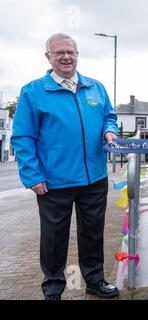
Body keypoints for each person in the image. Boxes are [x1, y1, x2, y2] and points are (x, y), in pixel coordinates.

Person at [11, 33, 119, 299]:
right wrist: (32, 176)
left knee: (93, 234)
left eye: (71, 52)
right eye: (59, 53)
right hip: (53, 181)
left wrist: (109, 130)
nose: (66, 57)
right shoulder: (33, 92)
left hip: (94, 178)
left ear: (77, 54)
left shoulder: (95, 87)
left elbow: (109, 116)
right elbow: (23, 137)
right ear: (48, 57)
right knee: (54, 238)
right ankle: (53, 288)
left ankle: (94, 280)